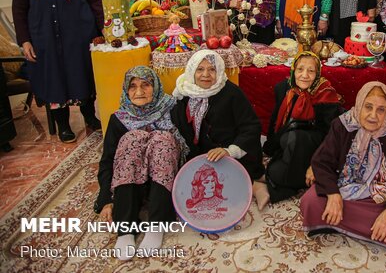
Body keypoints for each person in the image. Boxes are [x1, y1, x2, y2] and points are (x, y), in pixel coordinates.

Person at [301, 82, 386, 260]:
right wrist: (333, 194)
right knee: (309, 201)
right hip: (345, 189)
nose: (373, 116)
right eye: (368, 107)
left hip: (381, 196)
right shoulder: (342, 125)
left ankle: (340, 222)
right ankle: (346, 221)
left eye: (381, 110)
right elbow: (321, 162)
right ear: (359, 104)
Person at [12, 0, 103, 143]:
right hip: (44, 38)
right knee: (53, 79)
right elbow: (19, 7)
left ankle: (89, 116)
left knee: (81, 74)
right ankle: (63, 124)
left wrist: (103, 30)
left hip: (79, 35)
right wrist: (24, 40)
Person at [95, 66, 189, 260]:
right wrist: (106, 199)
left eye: (146, 85)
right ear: (126, 90)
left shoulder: (173, 108)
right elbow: (108, 161)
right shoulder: (119, 119)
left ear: (155, 87)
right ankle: (126, 229)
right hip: (132, 185)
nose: (139, 92)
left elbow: (190, 145)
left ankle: (157, 225)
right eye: (133, 86)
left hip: (166, 183)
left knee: (162, 139)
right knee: (133, 138)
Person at [171, 50, 267, 208]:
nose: (205, 74)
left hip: (228, 153)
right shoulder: (184, 92)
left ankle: (256, 184)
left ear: (220, 71)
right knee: (193, 193)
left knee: (230, 195)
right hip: (199, 155)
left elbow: (251, 126)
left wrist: (230, 151)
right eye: (200, 69)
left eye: (212, 69)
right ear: (191, 71)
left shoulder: (232, 93)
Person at [261, 52, 343, 206]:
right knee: (286, 143)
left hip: (314, 147)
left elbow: (330, 136)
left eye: (311, 71)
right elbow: (275, 120)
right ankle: (295, 181)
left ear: (318, 73)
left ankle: (282, 183)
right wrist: (271, 147)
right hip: (289, 143)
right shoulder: (284, 88)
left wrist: (316, 165)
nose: (304, 75)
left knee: (290, 146)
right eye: (300, 69)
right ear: (293, 70)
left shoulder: (326, 95)